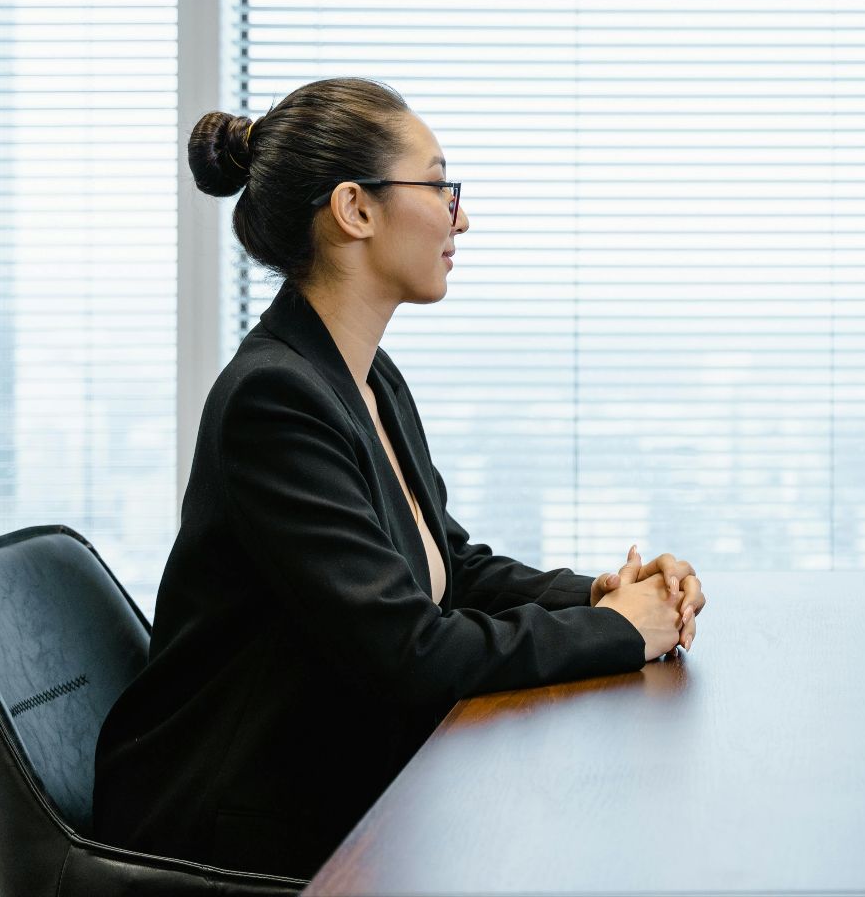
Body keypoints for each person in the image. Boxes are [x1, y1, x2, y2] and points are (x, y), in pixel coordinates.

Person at [94, 78, 706, 878]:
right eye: (441, 185)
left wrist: (596, 594)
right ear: (355, 209)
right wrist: (624, 631)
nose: (462, 216)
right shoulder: (274, 401)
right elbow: (410, 653)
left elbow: (450, 568)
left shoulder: (367, 378)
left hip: (326, 778)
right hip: (229, 820)